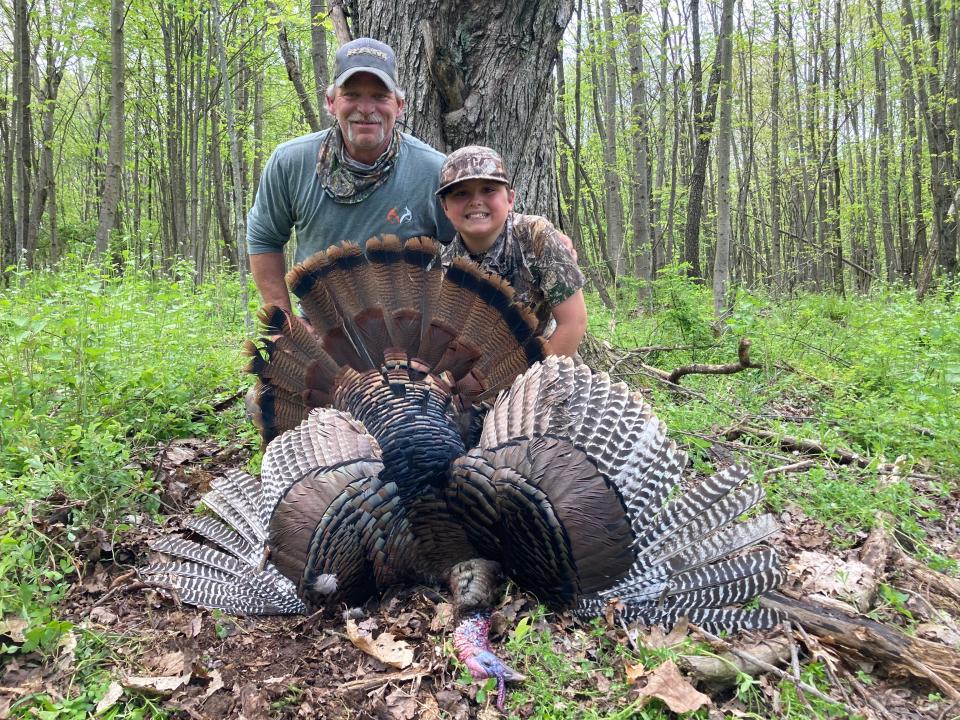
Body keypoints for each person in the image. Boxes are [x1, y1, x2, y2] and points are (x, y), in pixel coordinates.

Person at [246, 37, 454, 317]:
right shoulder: (290, 162)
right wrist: (285, 323)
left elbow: (468, 245)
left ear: (400, 106)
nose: (366, 109)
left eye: (380, 97)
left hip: (408, 335)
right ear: (331, 102)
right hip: (323, 330)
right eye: (352, 95)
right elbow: (263, 238)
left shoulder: (434, 171)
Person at [436, 146, 588, 357]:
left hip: (549, 363)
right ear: (445, 207)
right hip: (481, 379)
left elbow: (574, 321)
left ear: (510, 199)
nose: (475, 201)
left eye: (488, 189)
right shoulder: (444, 269)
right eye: (461, 193)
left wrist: (535, 384)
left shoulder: (536, 235)